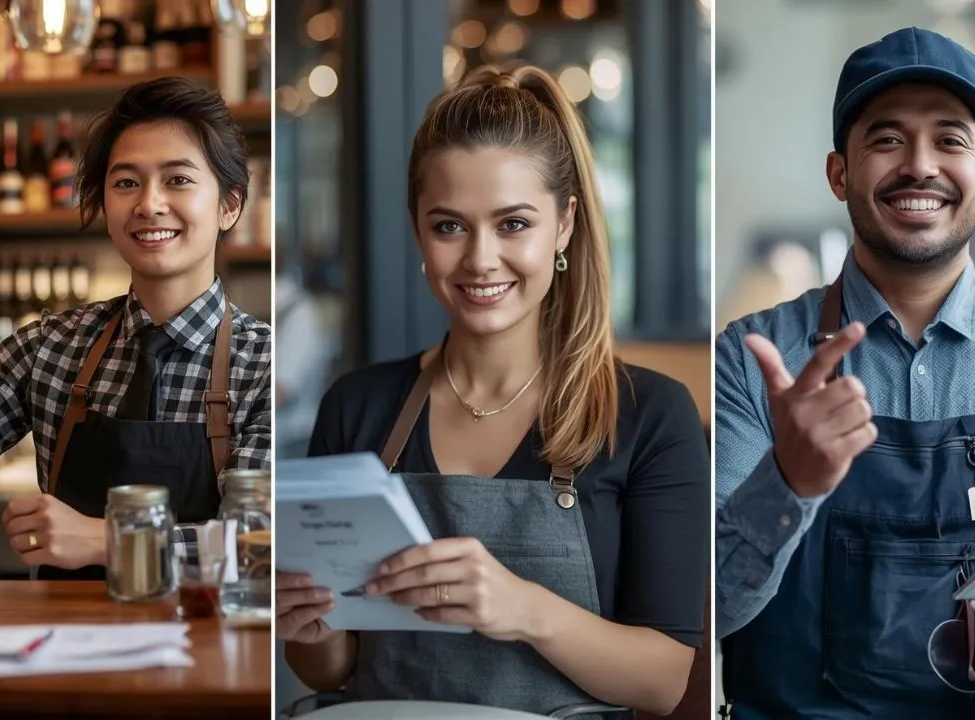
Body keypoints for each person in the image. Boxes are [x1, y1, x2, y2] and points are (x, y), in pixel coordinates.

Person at [716, 27, 975, 718]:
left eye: (949, 139)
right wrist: (787, 483)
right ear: (839, 173)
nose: (920, 166)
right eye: (887, 139)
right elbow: (700, 611)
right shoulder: (750, 361)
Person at [277, 64, 709, 719]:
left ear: (564, 224)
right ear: (418, 230)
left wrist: (522, 608)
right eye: (449, 226)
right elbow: (333, 668)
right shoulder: (357, 405)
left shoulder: (650, 414)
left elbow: (664, 682)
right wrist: (311, 629)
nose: (480, 259)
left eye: (513, 224)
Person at [0, 77, 272, 578]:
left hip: (206, 629)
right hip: (62, 628)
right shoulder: (51, 348)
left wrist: (108, 540)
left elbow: (257, 548)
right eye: (126, 183)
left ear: (229, 205)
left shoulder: (262, 364)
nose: (149, 204)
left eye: (178, 180)